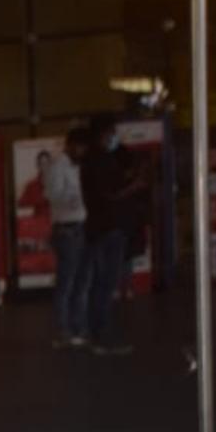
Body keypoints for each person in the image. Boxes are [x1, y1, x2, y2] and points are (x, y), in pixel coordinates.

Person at [78, 115, 145, 356]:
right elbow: (111, 193)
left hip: (99, 228)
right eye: (112, 132)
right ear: (104, 133)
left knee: (100, 284)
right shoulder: (101, 161)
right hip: (109, 227)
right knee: (105, 284)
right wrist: (132, 187)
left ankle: (96, 333)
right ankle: (102, 335)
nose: (115, 136)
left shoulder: (91, 160)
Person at [43, 128, 90, 347]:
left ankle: (77, 328)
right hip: (66, 229)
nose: (83, 151)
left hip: (81, 226)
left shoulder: (77, 166)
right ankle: (63, 330)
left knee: (81, 281)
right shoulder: (57, 165)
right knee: (67, 282)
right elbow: (54, 196)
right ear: (70, 145)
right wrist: (77, 195)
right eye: (80, 147)